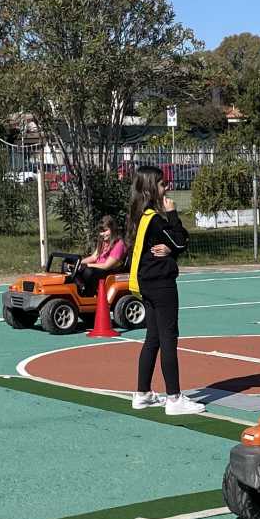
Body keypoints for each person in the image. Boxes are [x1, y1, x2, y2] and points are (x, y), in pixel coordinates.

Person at [126, 164, 205, 417]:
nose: (166, 187)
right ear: (151, 189)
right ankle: (174, 398)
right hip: (161, 284)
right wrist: (173, 214)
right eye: (161, 184)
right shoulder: (157, 219)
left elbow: (173, 244)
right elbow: (181, 239)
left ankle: (142, 393)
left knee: (152, 338)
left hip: (145, 282)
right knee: (168, 338)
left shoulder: (138, 216)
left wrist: (170, 248)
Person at [71, 215, 127, 299]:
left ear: (113, 229)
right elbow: (94, 257)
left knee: (88, 271)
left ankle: (87, 294)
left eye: (105, 231)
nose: (102, 234)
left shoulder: (119, 244)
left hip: (109, 272)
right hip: (98, 269)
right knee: (69, 266)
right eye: (101, 231)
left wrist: (88, 265)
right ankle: (78, 290)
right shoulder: (103, 242)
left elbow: (106, 266)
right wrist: (78, 262)